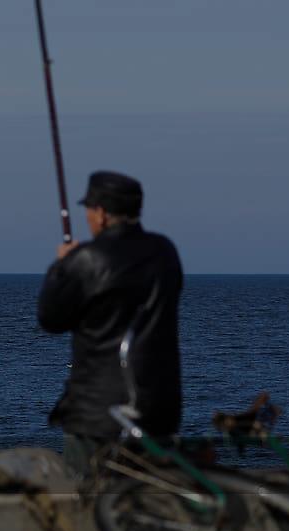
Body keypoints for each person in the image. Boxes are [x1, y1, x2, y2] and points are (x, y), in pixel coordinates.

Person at [37, 170, 183, 476]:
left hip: (97, 414)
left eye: (89, 210)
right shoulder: (165, 252)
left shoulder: (87, 260)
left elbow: (50, 318)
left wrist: (61, 267)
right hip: (159, 409)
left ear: (101, 214)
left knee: (88, 492)